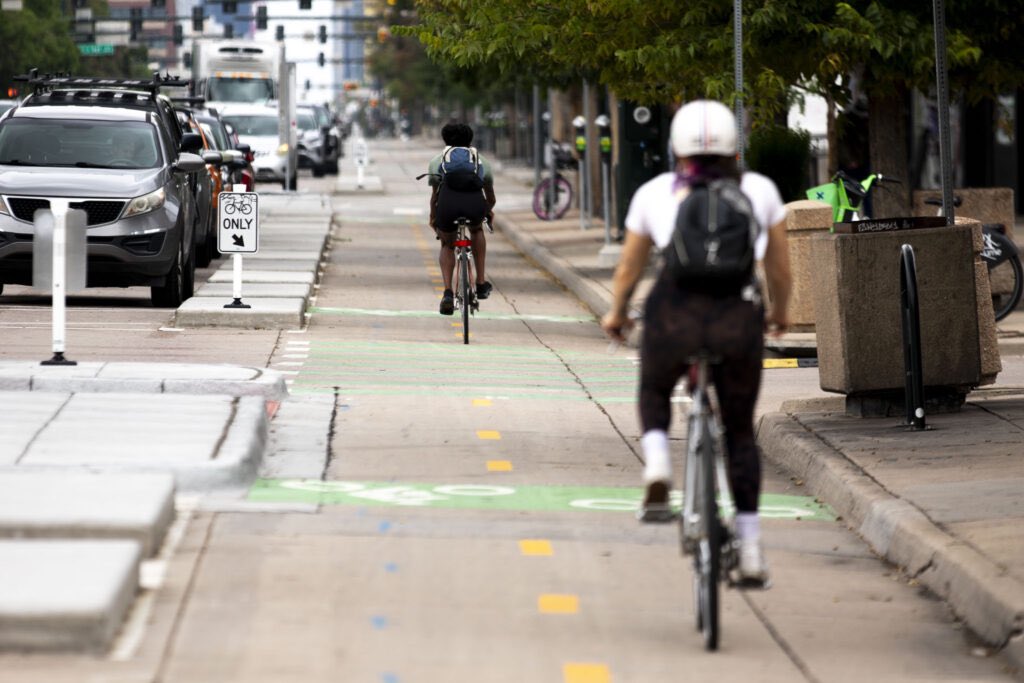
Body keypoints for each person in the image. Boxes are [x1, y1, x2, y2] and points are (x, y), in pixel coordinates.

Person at [600, 99, 792, 585]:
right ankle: (750, 550)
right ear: (734, 145)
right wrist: (779, 314)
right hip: (736, 319)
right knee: (740, 432)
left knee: (654, 386)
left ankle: (659, 463)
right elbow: (780, 270)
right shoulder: (761, 190)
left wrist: (618, 313)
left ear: (676, 147)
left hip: (674, 316)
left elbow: (629, 268)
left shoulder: (656, 192)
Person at [426, 122, 497, 315]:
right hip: (474, 207)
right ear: (470, 140)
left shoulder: (437, 161)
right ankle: (481, 283)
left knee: (447, 244)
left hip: (448, 207)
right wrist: (487, 212)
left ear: (445, 140)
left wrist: (434, 218)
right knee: (476, 230)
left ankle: (448, 292)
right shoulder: (481, 161)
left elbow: (435, 197)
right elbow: (490, 198)